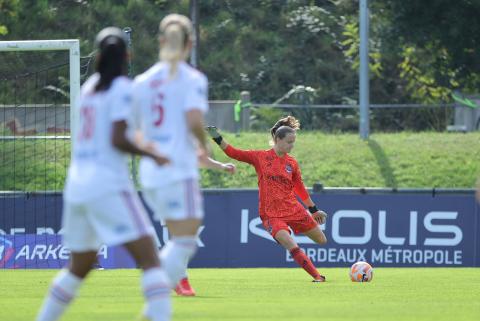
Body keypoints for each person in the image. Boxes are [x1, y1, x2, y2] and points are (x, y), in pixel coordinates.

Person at [36, 27, 172, 321]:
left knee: (80, 265)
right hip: (107, 183)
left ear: (97, 56)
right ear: (128, 55)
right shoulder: (123, 88)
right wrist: (155, 153)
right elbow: (118, 138)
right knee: (151, 261)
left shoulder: (90, 88)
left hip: (77, 185)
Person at [132, 13, 234, 297]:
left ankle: (169, 287)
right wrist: (203, 146)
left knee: (178, 237)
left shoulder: (142, 81)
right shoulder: (192, 79)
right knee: (186, 241)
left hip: (151, 172)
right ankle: (156, 286)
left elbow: (136, 130)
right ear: (191, 43)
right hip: (179, 170)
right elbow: (192, 120)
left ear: (161, 41)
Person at [206, 116, 328, 282]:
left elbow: (299, 187)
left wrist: (313, 209)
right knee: (290, 242)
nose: (292, 146)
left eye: (294, 142)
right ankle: (317, 276)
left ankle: (316, 275)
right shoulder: (260, 157)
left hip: (293, 209)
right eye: (289, 142)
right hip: (271, 214)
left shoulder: (292, 163)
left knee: (322, 240)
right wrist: (217, 137)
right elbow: (233, 152)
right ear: (277, 139)